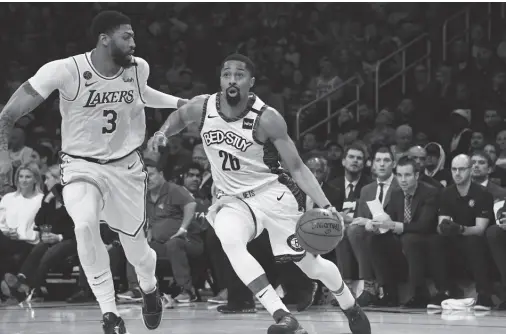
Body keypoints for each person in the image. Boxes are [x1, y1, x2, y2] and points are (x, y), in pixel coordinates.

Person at [148, 54, 370, 334]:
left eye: (239, 75)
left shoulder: (267, 118)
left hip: (272, 194)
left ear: (250, 83)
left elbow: (298, 168)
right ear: (220, 79)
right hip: (233, 199)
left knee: (311, 266)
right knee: (229, 238)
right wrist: (162, 132)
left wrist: (327, 205)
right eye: (226, 74)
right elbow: (179, 116)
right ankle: (283, 317)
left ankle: (350, 305)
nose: (231, 79)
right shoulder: (202, 107)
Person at [0, 10, 189, 334]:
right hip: (81, 165)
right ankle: (110, 313)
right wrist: (4, 155)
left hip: (125, 167)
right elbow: (9, 114)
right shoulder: (65, 70)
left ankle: (148, 288)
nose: (133, 42)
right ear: (104, 39)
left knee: (138, 252)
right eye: (126, 36)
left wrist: (180, 102)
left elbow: (143, 94)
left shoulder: (138, 68)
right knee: (85, 224)